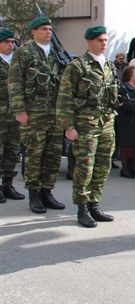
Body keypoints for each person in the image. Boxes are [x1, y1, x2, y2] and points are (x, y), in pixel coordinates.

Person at [56, 26, 120, 227]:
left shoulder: (109, 65)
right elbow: (65, 98)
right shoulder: (77, 66)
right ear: (90, 41)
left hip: (107, 123)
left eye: (105, 40)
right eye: (100, 40)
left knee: (103, 166)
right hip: (85, 124)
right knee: (85, 167)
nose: (104, 44)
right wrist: (68, 126)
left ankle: (94, 204)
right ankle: (82, 208)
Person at [8, 16, 66, 214]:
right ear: (33, 32)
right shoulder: (24, 52)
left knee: (53, 155)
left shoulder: (57, 54)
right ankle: (34, 194)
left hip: (55, 113)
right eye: (43, 29)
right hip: (33, 114)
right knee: (34, 155)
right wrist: (19, 111)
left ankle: (47, 192)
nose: (48, 32)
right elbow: (15, 83)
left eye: (50, 29)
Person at [0, 29, 24, 203]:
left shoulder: (18, 63)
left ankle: (8, 185)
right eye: (7, 41)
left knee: (12, 152)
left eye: (12, 42)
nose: (11, 45)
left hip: (15, 117)